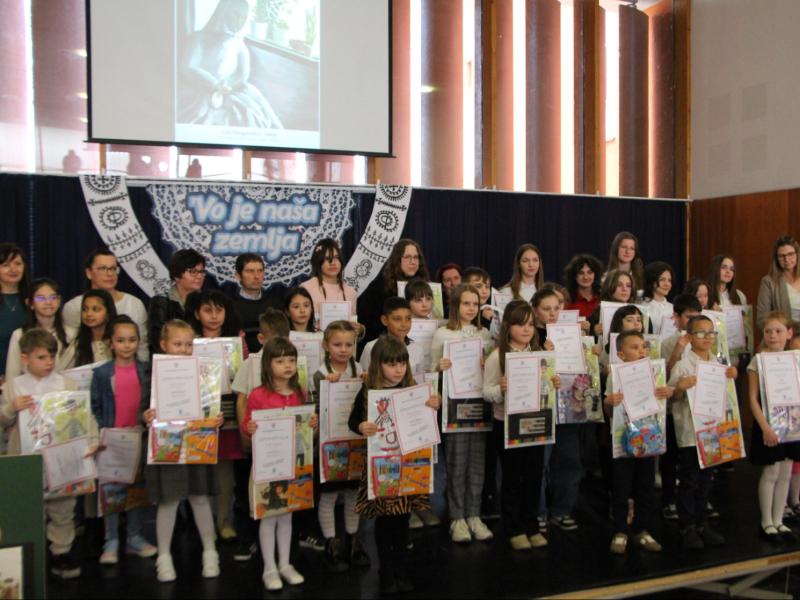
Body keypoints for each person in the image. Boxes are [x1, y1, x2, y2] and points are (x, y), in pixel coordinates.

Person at [348, 336, 441, 594]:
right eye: (391, 364)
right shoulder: (368, 390)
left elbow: (426, 416)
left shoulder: (413, 388)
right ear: (379, 364)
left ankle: (400, 569)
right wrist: (361, 426)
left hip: (407, 466)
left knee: (402, 521)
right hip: (382, 466)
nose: (398, 369)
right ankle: (386, 570)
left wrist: (434, 404)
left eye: (401, 363)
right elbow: (353, 420)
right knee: (385, 522)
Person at [143, 320, 222, 582]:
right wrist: (146, 415)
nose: (184, 349)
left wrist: (215, 418)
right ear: (163, 344)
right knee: (169, 500)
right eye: (178, 344)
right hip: (169, 446)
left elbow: (210, 405)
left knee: (200, 497)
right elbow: (143, 408)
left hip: (196, 444)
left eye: (189, 344)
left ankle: (210, 551)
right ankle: (164, 556)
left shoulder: (202, 373)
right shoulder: (153, 374)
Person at [1, 329, 84, 578]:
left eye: (51, 356)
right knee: (29, 506)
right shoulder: (14, 387)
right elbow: (3, 421)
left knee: (63, 508)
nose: (48, 362)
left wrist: (89, 441)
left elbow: (83, 418)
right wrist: (11, 408)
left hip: (60, 457)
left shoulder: (67, 384)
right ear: (25, 358)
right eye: (41, 357)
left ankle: (61, 552)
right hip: (26, 458)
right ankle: (34, 554)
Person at [241, 337, 318, 591]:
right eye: (280, 361)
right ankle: (269, 567)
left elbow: (304, 428)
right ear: (268, 364)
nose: (287, 365)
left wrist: (311, 424)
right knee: (268, 516)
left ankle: (285, 564)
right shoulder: (258, 395)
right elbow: (247, 425)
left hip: (292, 463)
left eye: (291, 360)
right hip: (267, 464)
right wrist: (250, 427)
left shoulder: (299, 393)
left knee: (287, 516)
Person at [483, 300, 551, 550]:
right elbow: (486, 392)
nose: (526, 329)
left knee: (534, 476)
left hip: (535, 423)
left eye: (530, 324)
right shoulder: (497, 356)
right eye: (520, 324)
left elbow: (545, 390)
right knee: (512, 478)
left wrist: (552, 384)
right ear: (507, 327)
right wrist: (500, 390)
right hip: (507, 425)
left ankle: (531, 525)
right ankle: (514, 528)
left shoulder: (539, 354)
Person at [90, 316, 157, 564]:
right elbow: (95, 406)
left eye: (132, 340)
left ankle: (134, 537)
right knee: (111, 491)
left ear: (139, 341)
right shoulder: (101, 373)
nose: (126, 345)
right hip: (111, 440)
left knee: (137, 491)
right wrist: (101, 432)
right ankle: (111, 539)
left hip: (138, 437)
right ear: (110, 342)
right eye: (120, 340)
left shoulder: (146, 370)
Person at [430, 284, 493, 543]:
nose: (471, 308)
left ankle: (474, 515)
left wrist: (487, 363)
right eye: (466, 303)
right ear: (455, 305)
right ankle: (457, 518)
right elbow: (431, 372)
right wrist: (439, 366)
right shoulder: (442, 334)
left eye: (475, 304)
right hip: (454, 406)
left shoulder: (485, 333)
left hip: (480, 405)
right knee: (456, 463)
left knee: (477, 463)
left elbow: (493, 369)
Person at [668, 315, 736, 549]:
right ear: (689, 337)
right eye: (700, 333)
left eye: (710, 333)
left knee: (706, 479)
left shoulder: (718, 365)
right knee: (689, 480)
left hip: (712, 431)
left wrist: (731, 378)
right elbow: (671, 398)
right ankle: (686, 525)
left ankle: (701, 523)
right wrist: (679, 388)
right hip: (690, 433)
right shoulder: (682, 366)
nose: (707, 337)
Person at [186, 290, 247, 542]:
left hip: (229, 412)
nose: (213, 316)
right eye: (207, 310)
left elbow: (245, 374)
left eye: (218, 310)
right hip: (197, 413)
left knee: (225, 473)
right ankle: (205, 523)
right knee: (202, 470)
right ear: (196, 313)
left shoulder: (237, 340)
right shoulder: (188, 341)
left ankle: (224, 520)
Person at [230, 308, 290, 562]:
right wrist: (244, 435)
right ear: (262, 339)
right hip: (256, 439)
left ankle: (284, 548)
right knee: (248, 490)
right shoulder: (251, 363)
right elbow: (242, 399)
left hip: (282, 444)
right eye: (273, 338)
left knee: (280, 495)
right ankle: (247, 538)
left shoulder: (291, 364)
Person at [604, 331, 672, 554]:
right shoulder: (615, 375)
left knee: (646, 486)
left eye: (643, 346)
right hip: (622, 438)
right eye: (634, 347)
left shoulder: (655, 372)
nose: (641, 351)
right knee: (621, 487)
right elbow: (608, 409)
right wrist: (609, 402)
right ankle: (620, 530)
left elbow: (662, 401)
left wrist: (666, 392)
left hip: (648, 438)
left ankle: (642, 529)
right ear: (621, 354)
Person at [312, 320, 371, 570]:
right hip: (330, 443)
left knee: (352, 493)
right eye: (337, 344)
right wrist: (326, 386)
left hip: (354, 440)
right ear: (326, 345)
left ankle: (353, 541)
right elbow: (314, 409)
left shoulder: (358, 368)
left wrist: (366, 381)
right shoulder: (319, 373)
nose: (344, 349)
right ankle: (331, 542)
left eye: (348, 344)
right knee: (329, 494)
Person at [178, 0, 283, 129]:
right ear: (224, 12)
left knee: (252, 114)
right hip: (202, 88)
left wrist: (230, 85)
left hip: (230, 88)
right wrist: (214, 84)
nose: (239, 21)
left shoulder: (239, 44)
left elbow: (243, 74)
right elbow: (188, 67)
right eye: (236, 14)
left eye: (243, 17)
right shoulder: (199, 38)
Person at [747, 311, 800, 541]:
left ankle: (779, 520)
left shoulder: (795, 360)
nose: (773, 335)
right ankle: (766, 521)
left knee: (786, 472)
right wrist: (766, 427)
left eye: (778, 331)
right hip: (767, 424)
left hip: (792, 424)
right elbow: (752, 399)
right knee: (771, 472)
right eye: (768, 331)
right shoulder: (758, 361)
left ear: (789, 333)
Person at [659, 294, 703, 521]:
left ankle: (696, 501)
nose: (693, 321)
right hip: (671, 407)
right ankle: (668, 499)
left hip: (696, 410)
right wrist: (677, 349)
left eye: (697, 316)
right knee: (671, 456)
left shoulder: (704, 340)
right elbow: (664, 376)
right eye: (688, 317)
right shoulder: (668, 342)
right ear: (676, 317)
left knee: (693, 460)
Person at [62, 249, 149, 361]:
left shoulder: (134, 304)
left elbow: (142, 346)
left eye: (113, 268)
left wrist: (142, 369)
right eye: (103, 268)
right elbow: (70, 346)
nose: (110, 274)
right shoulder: (73, 307)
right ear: (89, 273)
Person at [358, 239, 431, 347]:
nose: (413, 262)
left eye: (416, 257)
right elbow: (367, 320)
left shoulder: (426, 285)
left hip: (420, 345)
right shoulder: (380, 286)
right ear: (397, 260)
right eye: (407, 257)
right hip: (386, 346)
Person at [5, 278, 75, 377]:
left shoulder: (72, 334)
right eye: (41, 298)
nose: (48, 302)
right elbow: (12, 375)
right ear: (30, 303)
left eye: (53, 297)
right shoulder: (19, 335)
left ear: (59, 301)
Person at [147, 249, 207, 357]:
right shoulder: (161, 302)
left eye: (202, 272)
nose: (199, 276)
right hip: (169, 363)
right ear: (176, 275)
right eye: (193, 272)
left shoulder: (207, 302)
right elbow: (157, 342)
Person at [360, 297, 425, 382]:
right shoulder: (371, 347)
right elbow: (363, 379)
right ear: (384, 320)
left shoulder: (418, 349)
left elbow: (420, 381)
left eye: (408, 319)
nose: (404, 324)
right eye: (397, 319)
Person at [231, 253, 284, 354]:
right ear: (238, 275)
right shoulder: (230, 305)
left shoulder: (275, 304)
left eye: (260, 271)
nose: (256, 276)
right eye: (250, 271)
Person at [301, 238, 358, 326]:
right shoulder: (306, 288)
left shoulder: (351, 292)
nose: (333, 263)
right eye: (327, 258)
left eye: (336, 258)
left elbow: (352, 325)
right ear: (318, 261)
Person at [0, 243, 30, 386]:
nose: (13, 269)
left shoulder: (33, 298)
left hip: (29, 377)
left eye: (18, 264)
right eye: (5, 265)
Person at [757, 236, 800, 328]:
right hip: (784, 335)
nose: (786, 259)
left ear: (797, 254)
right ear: (776, 259)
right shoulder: (768, 282)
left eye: (791, 254)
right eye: (781, 256)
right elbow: (762, 319)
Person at [73, 289, 117, 367]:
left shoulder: (117, 341)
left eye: (95, 309)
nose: (89, 314)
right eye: (85, 309)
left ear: (108, 312)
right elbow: (60, 371)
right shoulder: (78, 343)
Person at [588, 270, 635, 338]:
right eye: (619, 285)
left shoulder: (638, 312)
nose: (625, 289)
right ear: (610, 287)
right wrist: (594, 331)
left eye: (628, 286)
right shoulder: (597, 315)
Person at [563, 254, 604, 319]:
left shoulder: (603, 297)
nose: (585, 277)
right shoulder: (565, 298)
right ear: (574, 276)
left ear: (595, 275)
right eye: (581, 273)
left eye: (589, 272)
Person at [641, 262, 675, 336]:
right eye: (662, 280)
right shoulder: (642, 307)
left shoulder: (673, 308)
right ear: (651, 281)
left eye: (669, 280)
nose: (667, 284)